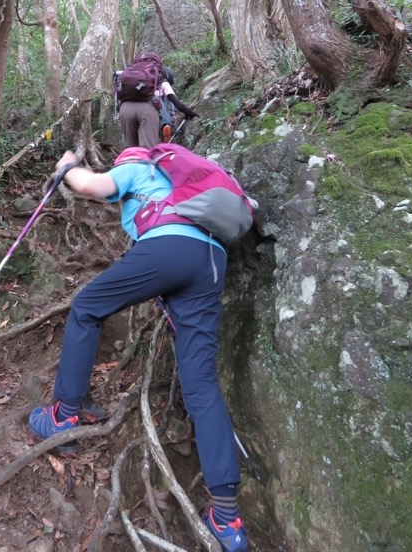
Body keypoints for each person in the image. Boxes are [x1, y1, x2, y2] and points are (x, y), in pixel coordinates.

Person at [28, 149, 249, 552]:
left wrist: (66, 167)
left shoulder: (137, 167)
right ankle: (227, 517)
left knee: (86, 307)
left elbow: (92, 186)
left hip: (169, 247)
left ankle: (63, 414)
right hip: (212, 260)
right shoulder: (183, 185)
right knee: (200, 384)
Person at [117, 53, 197, 149]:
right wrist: (189, 113)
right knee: (147, 149)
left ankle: (128, 162)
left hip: (125, 108)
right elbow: (176, 103)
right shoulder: (162, 81)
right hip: (147, 108)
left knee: (130, 149)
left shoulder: (130, 79)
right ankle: (166, 125)